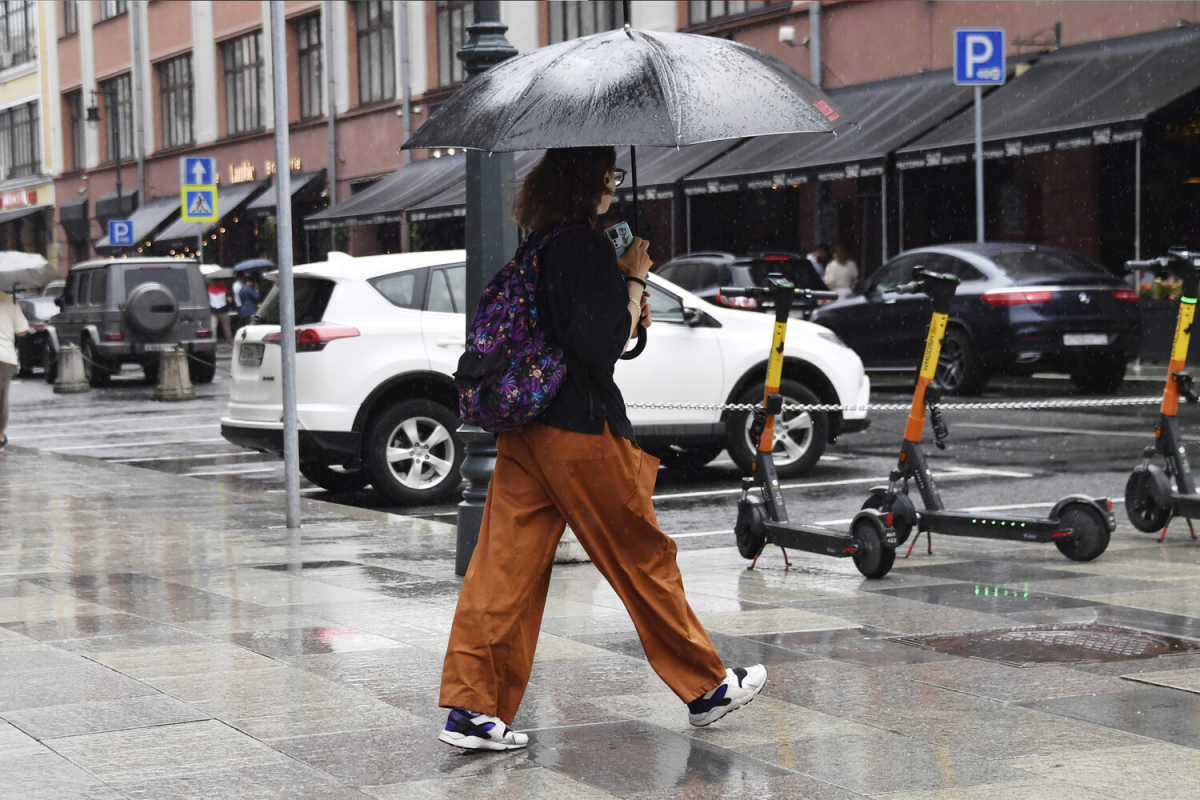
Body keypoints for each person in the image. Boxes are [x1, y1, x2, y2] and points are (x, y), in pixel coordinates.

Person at [438, 147, 766, 752]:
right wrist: (634, 275)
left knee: (501, 570)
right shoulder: (584, 246)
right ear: (588, 182)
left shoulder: (537, 243)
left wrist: (623, 295)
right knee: (642, 554)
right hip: (578, 432)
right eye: (609, 177)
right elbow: (599, 346)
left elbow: (576, 330)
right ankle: (706, 687)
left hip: (525, 430)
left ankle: (471, 707)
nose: (614, 186)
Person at [0, 291, 29, 453]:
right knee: (2, 395)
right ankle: (0, 436)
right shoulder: (10, 301)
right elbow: (22, 330)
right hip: (4, 356)